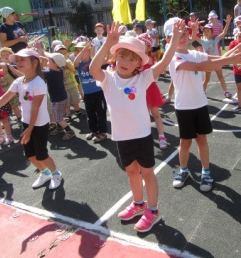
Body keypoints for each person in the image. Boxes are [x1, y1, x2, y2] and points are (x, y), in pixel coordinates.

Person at [89, 20, 185, 233]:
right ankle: (138, 204)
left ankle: (152, 210)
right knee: (132, 172)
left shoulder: (143, 78)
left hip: (141, 136)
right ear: (115, 57)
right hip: (121, 137)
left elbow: (164, 61)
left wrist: (175, 39)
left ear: (138, 64)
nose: (125, 61)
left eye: (132, 58)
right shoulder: (108, 79)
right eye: (122, 55)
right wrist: (108, 43)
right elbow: (92, 68)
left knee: (147, 173)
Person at [169, 17, 241, 192]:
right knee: (185, 142)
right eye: (177, 35)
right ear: (169, 40)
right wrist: (229, 60)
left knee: (202, 140)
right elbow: (204, 67)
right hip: (184, 107)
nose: (183, 37)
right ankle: (184, 170)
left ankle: (206, 171)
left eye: (184, 33)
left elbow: (218, 58)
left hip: (200, 105)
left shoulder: (195, 53)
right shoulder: (173, 58)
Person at [0, 49, 64, 189]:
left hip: (39, 124)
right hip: (27, 123)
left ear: (34, 62)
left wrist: (30, 130)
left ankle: (56, 174)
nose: (18, 63)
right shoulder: (19, 81)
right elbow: (4, 98)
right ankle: (45, 173)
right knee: (30, 154)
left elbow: (36, 108)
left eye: (22, 59)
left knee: (41, 155)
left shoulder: (38, 83)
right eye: (17, 60)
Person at [37, 49, 76, 141]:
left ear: (54, 64)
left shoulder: (50, 74)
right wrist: (43, 57)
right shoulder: (59, 70)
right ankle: (60, 128)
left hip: (58, 99)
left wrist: (39, 59)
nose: (47, 62)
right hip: (61, 97)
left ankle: (69, 131)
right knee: (59, 114)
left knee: (56, 117)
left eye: (49, 61)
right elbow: (48, 62)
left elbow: (39, 71)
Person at [138, 33, 168, 149]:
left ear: (148, 47)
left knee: (155, 114)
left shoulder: (148, 58)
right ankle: (144, 136)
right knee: (142, 115)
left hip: (149, 89)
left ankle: (161, 136)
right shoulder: (136, 57)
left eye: (143, 44)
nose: (139, 46)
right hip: (138, 90)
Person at [192, 14, 233, 98]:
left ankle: (226, 91)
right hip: (208, 62)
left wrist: (228, 23)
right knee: (206, 79)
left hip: (216, 62)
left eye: (208, 31)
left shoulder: (215, 39)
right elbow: (195, 37)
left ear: (212, 32)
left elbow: (224, 32)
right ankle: (202, 92)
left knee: (221, 77)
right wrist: (195, 27)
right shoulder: (203, 41)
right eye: (204, 31)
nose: (206, 32)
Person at [74, 42, 108, 143]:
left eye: (83, 51)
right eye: (78, 51)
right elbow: (75, 62)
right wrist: (84, 49)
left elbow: (105, 60)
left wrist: (88, 50)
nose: (79, 53)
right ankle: (94, 131)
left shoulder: (94, 62)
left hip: (98, 92)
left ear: (88, 52)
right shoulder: (79, 65)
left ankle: (103, 133)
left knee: (101, 112)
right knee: (90, 113)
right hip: (87, 94)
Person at [53, 43, 85, 122]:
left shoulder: (68, 61)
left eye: (64, 53)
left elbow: (74, 70)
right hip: (63, 87)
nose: (63, 55)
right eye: (60, 54)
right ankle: (68, 114)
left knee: (75, 100)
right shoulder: (55, 64)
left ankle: (78, 111)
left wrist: (66, 62)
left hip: (72, 85)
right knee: (66, 102)